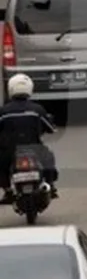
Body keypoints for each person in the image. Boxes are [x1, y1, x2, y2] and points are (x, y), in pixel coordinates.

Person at [0, 74, 58, 204]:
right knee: (49, 158)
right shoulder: (37, 109)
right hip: (34, 148)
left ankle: (8, 191)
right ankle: (51, 185)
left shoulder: (3, 111)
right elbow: (50, 127)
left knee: (2, 167)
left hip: (9, 151)